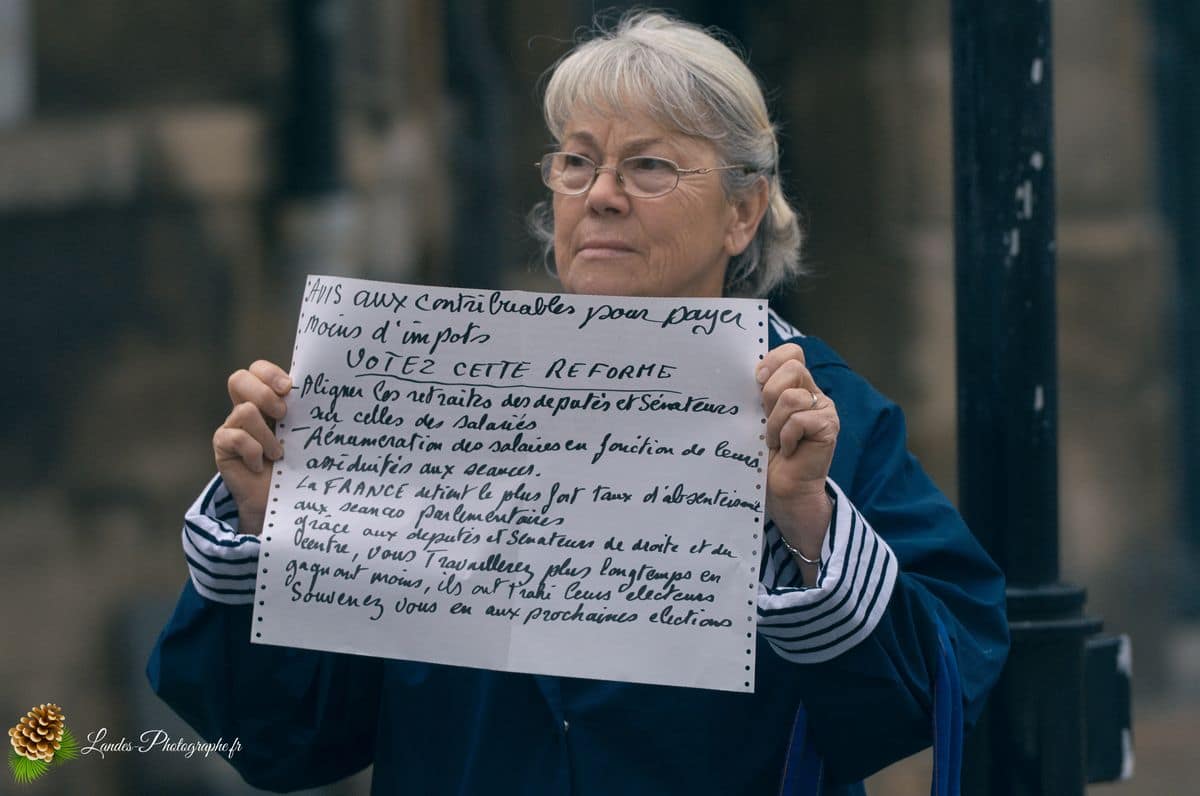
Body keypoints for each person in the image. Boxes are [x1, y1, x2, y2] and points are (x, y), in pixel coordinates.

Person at [147, 11, 1008, 795]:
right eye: (576, 161)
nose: (600, 193)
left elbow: (933, 686)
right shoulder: (432, 398)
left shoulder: (818, 415)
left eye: (649, 166)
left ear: (742, 212)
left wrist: (809, 523)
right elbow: (285, 738)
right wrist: (272, 527)